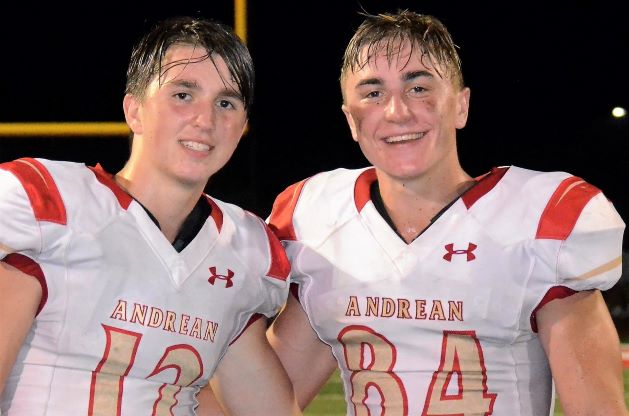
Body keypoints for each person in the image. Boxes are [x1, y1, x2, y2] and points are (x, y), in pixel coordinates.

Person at [266, 10, 627, 415]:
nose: (397, 112)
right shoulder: (322, 228)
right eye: (372, 93)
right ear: (351, 119)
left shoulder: (537, 223)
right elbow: (258, 406)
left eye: (418, 87)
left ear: (460, 105)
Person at [0, 16, 300, 415]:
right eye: (182, 95)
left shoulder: (241, 251)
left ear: (241, 125)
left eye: (225, 102)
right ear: (134, 110)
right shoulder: (51, 206)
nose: (205, 120)